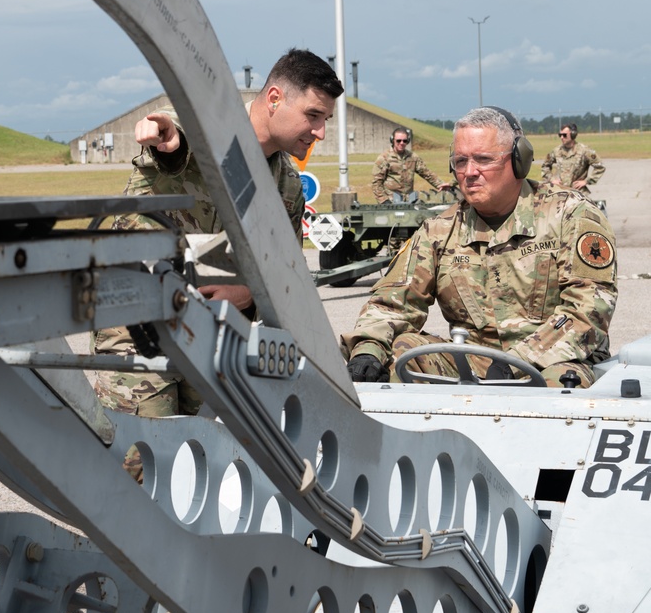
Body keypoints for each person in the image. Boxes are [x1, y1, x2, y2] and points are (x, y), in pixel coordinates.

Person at [93, 48, 344, 479]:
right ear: (275, 99)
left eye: (325, 121)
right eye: (313, 115)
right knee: (136, 467)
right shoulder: (206, 128)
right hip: (138, 322)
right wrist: (165, 133)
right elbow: (175, 140)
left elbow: (282, 276)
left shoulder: (285, 182)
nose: (320, 132)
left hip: (207, 335)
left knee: (192, 467)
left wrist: (246, 293)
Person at [342, 106, 617, 389]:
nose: (469, 172)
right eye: (460, 161)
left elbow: (587, 311)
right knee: (402, 353)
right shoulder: (439, 230)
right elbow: (393, 301)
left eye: (484, 160)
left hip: (557, 359)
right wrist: (368, 349)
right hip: (474, 361)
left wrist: (518, 361)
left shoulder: (571, 215)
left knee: (557, 387)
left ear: (518, 161)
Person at [371, 126, 453, 204]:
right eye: (398, 140)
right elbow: (376, 182)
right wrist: (384, 201)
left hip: (410, 201)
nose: (402, 143)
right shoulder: (384, 158)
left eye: (405, 141)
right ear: (393, 140)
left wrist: (441, 185)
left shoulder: (413, 157)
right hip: (390, 201)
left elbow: (427, 173)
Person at [540, 122, 605, 194]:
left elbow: (600, 166)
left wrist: (587, 181)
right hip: (560, 192)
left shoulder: (584, 151)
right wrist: (552, 179)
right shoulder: (556, 151)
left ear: (573, 135)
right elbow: (545, 166)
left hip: (578, 193)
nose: (562, 137)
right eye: (560, 135)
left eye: (564, 135)